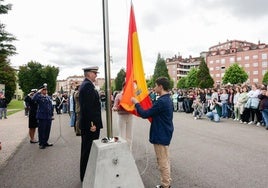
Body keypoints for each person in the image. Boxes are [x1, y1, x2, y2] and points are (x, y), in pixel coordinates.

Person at [131, 77, 173, 188]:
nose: (154, 88)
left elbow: (145, 114)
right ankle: (167, 182)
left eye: (155, 85)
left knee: (162, 161)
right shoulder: (166, 99)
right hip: (164, 132)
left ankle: (166, 185)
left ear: (161, 86)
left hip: (161, 133)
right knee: (165, 159)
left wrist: (136, 103)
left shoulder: (162, 101)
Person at [79, 66, 103, 182]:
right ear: (88, 74)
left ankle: (87, 175)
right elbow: (87, 108)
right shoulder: (87, 86)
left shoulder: (87, 85)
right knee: (88, 150)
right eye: (94, 73)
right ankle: (85, 176)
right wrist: (92, 124)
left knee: (89, 150)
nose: (96, 75)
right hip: (91, 125)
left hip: (91, 124)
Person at [112, 81, 133, 150]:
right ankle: (122, 151)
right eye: (125, 86)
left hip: (130, 116)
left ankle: (129, 151)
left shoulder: (131, 95)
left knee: (129, 136)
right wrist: (117, 108)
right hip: (121, 117)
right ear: (123, 87)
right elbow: (114, 107)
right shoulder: (118, 95)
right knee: (122, 135)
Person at [33, 84, 54, 149]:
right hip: (42, 116)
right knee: (42, 130)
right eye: (44, 90)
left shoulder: (48, 97)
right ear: (41, 90)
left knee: (47, 130)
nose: (45, 91)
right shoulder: (39, 96)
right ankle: (41, 143)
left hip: (48, 116)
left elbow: (50, 106)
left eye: (46, 90)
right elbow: (33, 99)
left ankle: (45, 142)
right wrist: (38, 92)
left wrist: (52, 115)